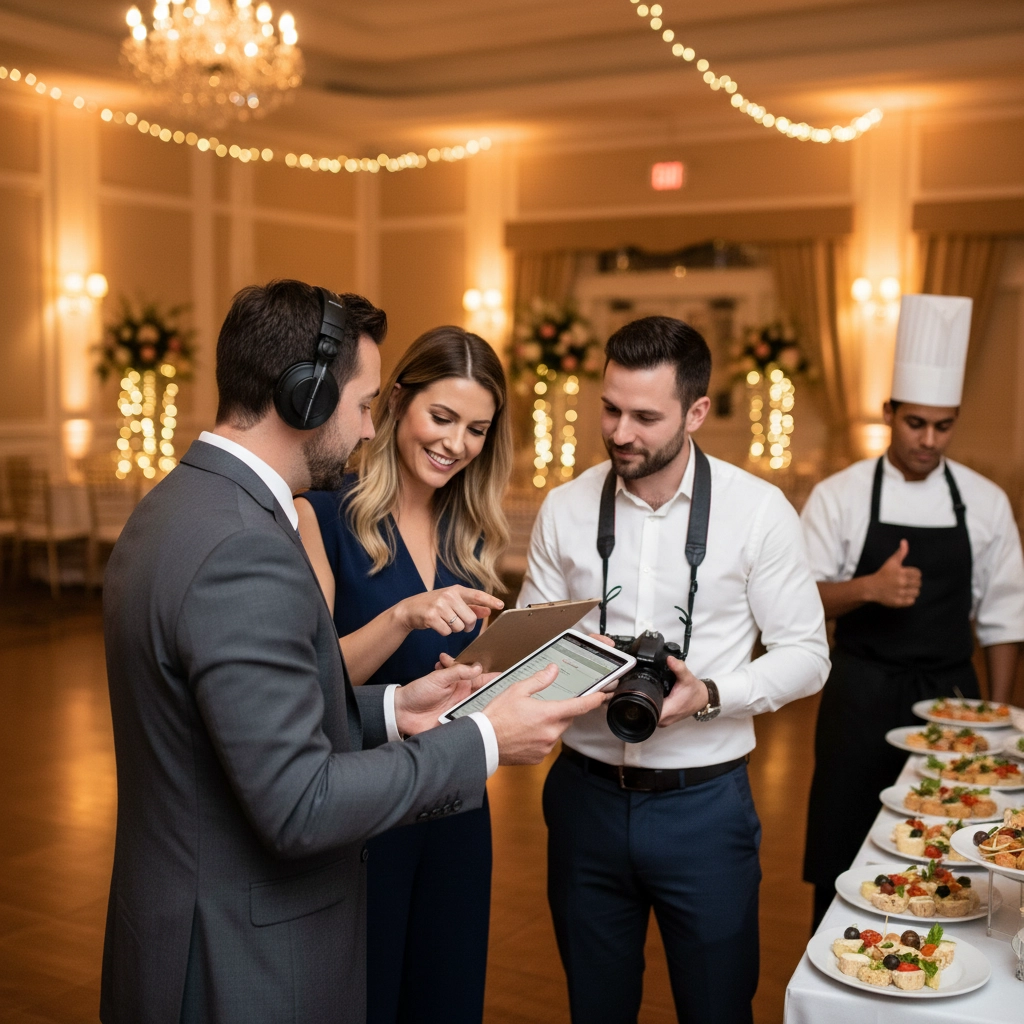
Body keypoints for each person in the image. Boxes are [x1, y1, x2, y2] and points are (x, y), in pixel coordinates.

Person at [99, 280, 609, 1024]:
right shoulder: (248, 546)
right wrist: (483, 739)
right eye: (367, 403)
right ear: (305, 397)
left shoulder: (177, 507)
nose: (370, 427)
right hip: (238, 946)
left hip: (192, 914)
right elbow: (299, 802)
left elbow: (265, 716)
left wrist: (401, 706)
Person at [518, 315, 830, 1024]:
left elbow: (809, 656)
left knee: (716, 1009)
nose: (621, 431)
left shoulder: (759, 513)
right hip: (583, 801)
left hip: (706, 809)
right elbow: (534, 648)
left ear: (697, 412)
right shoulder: (564, 509)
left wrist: (711, 694)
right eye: (610, 408)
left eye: (645, 416)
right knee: (595, 1008)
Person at [296, 325, 511, 1024]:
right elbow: (316, 683)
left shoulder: (469, 527)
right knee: (367, 998)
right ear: (395, 402)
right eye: (442, 418)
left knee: (447, 998)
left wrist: (489, 675)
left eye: (477, 429)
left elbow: (463, 672)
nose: (456, 444)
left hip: (456, 801)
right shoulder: (322, 512)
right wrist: (404, 617)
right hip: (363, 808)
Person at [801, 293, 1024, 929]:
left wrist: (993, 719)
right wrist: (867, 588)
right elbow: (795, 598)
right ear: (889, 412)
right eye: (915, 423)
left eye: (944, 426)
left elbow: (1007, 615)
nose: (929, 441)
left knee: (956, 843)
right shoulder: (839, 496)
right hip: (860, 694)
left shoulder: (983, 501)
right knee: (846, 840)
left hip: (954, 696)